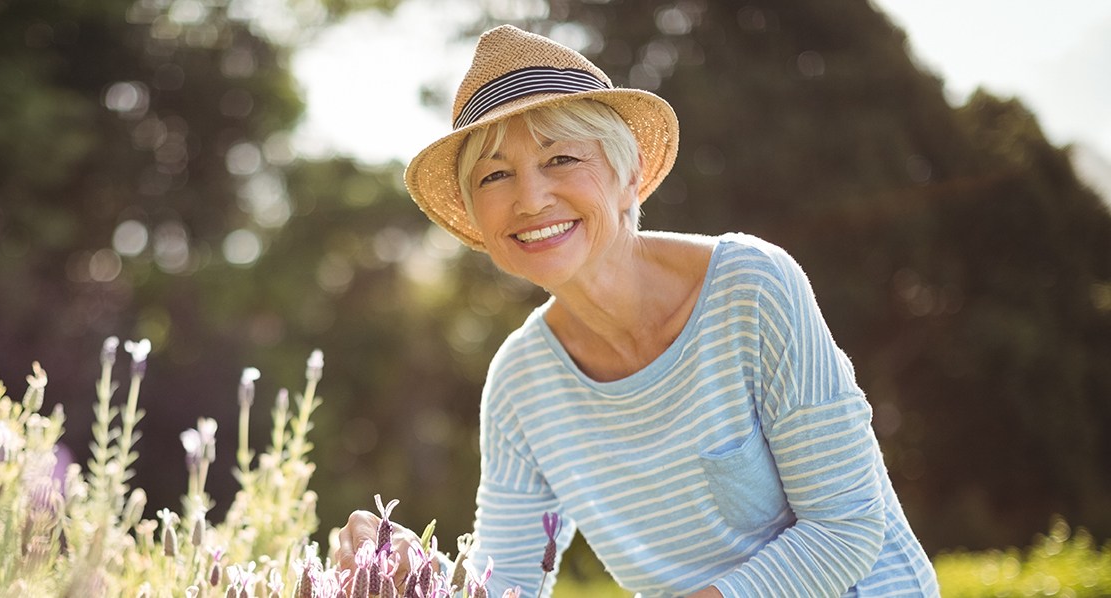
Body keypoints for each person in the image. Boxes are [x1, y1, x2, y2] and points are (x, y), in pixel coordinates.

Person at [335, 25, 939, 597]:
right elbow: (508, 585)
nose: (530, 198)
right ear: (476, 221)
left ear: (630, 176)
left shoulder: (752, 288)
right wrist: (410, 571)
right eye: (496, 175)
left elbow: (846, 529)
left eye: (561, 159)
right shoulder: (521, 384)